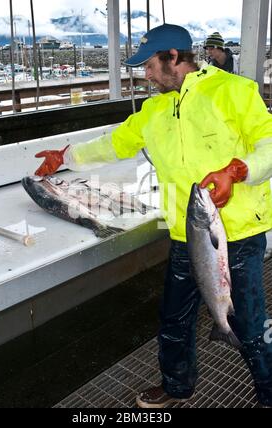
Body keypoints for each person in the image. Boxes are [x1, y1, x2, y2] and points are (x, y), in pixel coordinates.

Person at [35, 24, 272, 408]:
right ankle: (176, 385)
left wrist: (237, 171)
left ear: (174, 58)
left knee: (247, 325)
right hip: (184, 233)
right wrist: (65, 157)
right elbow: (113, 144)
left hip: (240, 234)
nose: (144, 74)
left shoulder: (235, 91)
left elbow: (269, 144)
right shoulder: (153, 110)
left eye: (148, 65)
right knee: (173, 321)